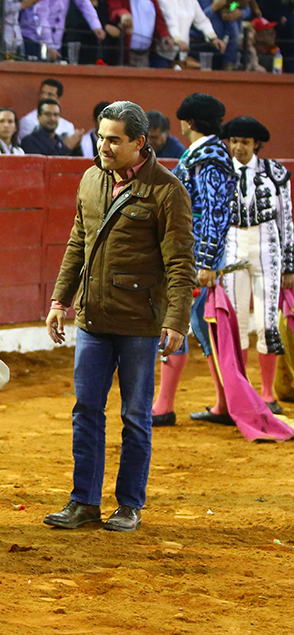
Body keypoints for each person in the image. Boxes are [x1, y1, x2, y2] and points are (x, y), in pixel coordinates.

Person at [44, 101, 194, 532]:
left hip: (139, 324)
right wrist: (59, 300)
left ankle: (129, 504)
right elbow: (78, 242)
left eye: (114, 139)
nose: (103, 145)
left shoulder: (167, 190)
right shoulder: (91, 178)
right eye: (100, 136)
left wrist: (177, 320)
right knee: (85, 410)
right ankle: (84, 502)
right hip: (93, 318)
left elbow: (180, 263)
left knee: (135, 416)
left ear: (139, 143)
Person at [152, 93, 235, 427]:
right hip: (191, 251)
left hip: (195, 255)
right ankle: (221, 403)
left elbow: (215, 212)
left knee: (184, 322)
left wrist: (206, 262)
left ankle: (165, 406)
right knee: (199, 326)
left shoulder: (209, 156)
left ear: (188, 122)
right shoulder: (206, 153)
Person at [219, 116, 293, 413]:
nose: (237, 148)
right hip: (233, 244)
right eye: (234, 141)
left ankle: (266, 393)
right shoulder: (220, 172)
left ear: (256, 145)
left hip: (266, 244)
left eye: (244, 143)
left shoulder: (277, 174)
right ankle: (242, 389)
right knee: (236, 322)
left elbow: (285, 221)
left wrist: (289, 265)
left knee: (266, 322)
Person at [20, 0, 106, 62]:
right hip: (33, 39)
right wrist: (49, 45)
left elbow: (84, 3)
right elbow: (40, 17)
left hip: (56, 41)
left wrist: (96, 26)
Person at [155, 0, 226, 64]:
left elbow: (202, 20)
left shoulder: (192, 1)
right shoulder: (164, 1)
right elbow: (171, 22)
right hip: (164, 53)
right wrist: (177, 39)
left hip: (183, 52)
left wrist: (213, 37)